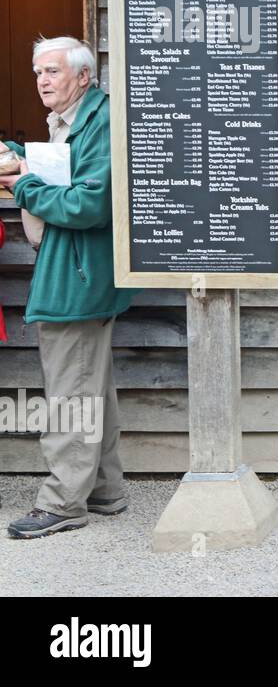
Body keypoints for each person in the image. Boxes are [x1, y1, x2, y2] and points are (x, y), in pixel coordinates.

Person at [0, 37, 136, 539]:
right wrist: (19, 155)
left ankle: (62, 503)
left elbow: (88, 204)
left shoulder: (100, 121)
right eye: (38, 71)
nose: (42, 80)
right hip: (83, 268)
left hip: (79, 270)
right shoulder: (75, 119)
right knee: (89, 382)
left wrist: (23, 185)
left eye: (53, 71)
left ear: (83, 76)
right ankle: (103, 489)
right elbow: (65, 168)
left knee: (69, 393)